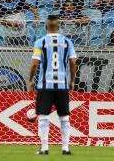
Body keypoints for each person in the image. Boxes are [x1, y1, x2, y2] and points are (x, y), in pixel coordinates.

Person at [27, 15, 77, 155]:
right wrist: (72, 80)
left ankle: (44, 148)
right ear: (59, 26)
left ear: (46, 26)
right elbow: (73, 62)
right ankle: (66, 149)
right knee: (64, 117)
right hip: (62, 85)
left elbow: (35, 63)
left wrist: (30, 80)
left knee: (43, 116)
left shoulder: (40, 42)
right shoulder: (68, 42)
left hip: (45, 85)